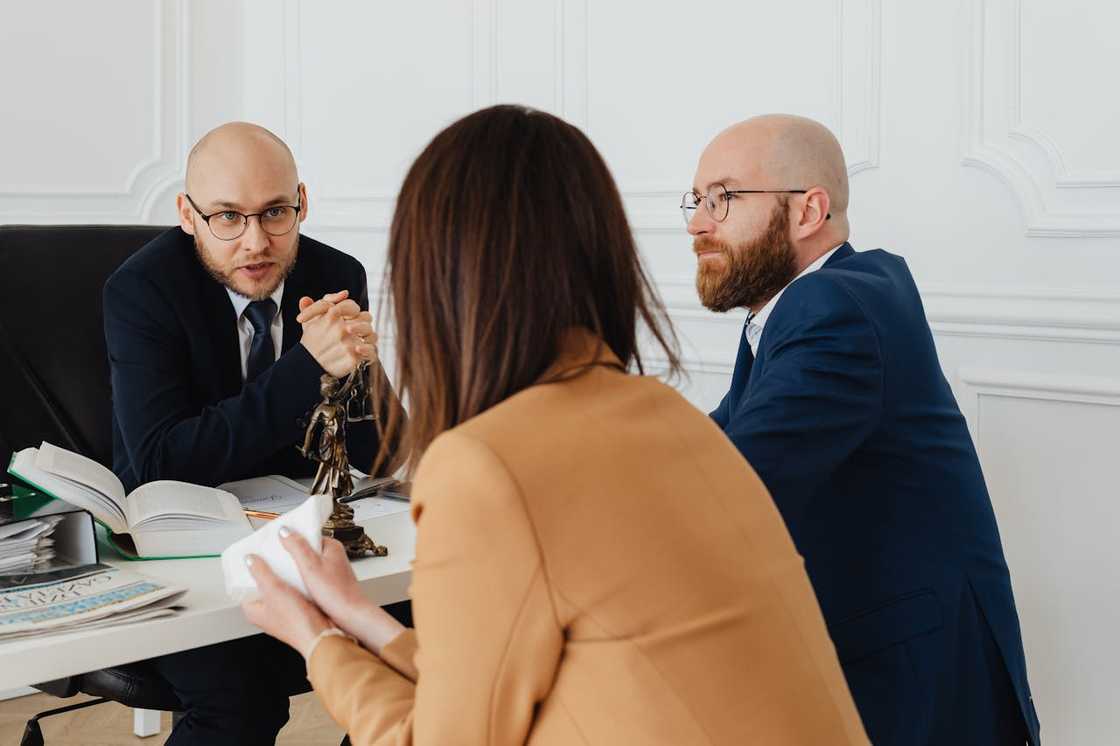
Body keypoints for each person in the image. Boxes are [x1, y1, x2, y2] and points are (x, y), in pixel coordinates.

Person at [241, 105, 869, 745]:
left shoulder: (486, 465)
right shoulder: (670, 417)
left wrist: (317, 641)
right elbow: (495, 689)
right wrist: (357, 616)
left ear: (439, 275)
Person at [686, 114, 1040, 745]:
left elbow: (734, 483)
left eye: (723, 198)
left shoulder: (834, 307)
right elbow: (717, 437)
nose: (697, 222)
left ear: (807, 210)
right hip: (889, 660)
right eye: (696, 201)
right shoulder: (809, 305)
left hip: (915, 687)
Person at [103, 121, 405, 745]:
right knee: (241, 703)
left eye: (274, 213)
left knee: (426, 654)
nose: (255, 242)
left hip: (297, 530)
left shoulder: (333, 270)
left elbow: (377, 450)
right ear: (188, 214)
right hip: (175, 544)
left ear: (302, 202)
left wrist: (366, 373)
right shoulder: (140, 291)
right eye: (227, 218)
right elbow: (163, 459)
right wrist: (306, 367)